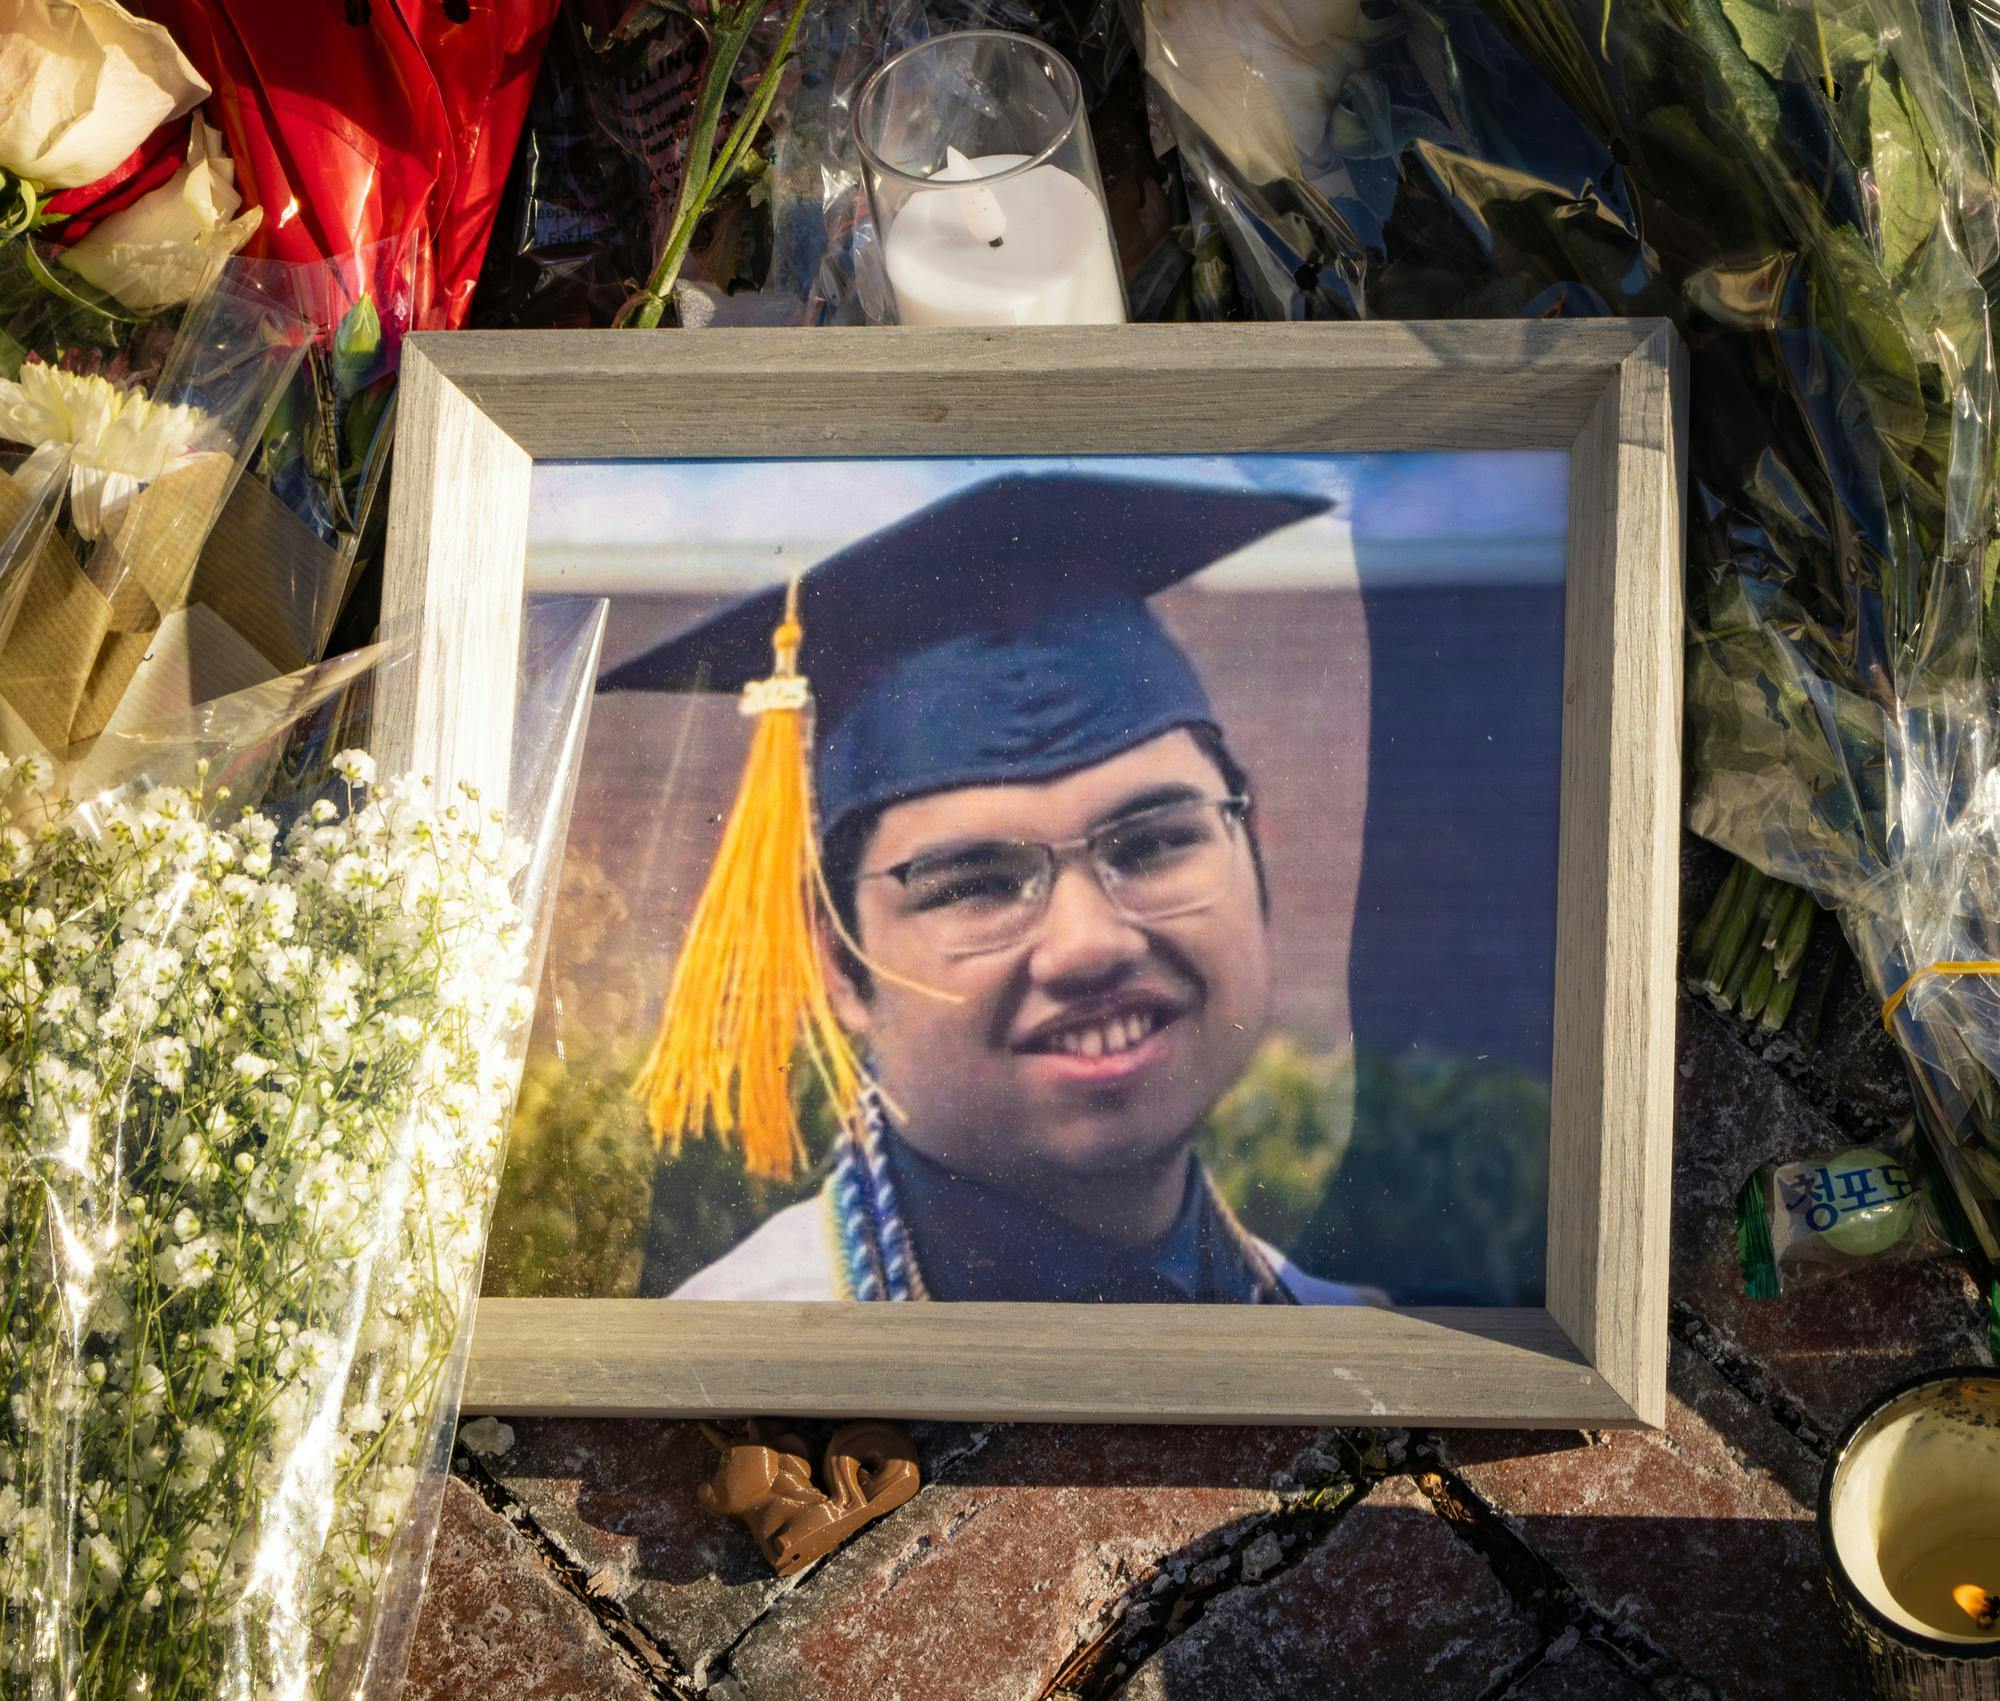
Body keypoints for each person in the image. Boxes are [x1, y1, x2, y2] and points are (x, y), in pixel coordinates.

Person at [602, 470, 1386, 1305]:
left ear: (1252, 850)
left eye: (1156, 843)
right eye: (975, 884)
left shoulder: (1345, 1341)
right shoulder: (736, 1380)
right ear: (837, 960)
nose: (1089, 941)